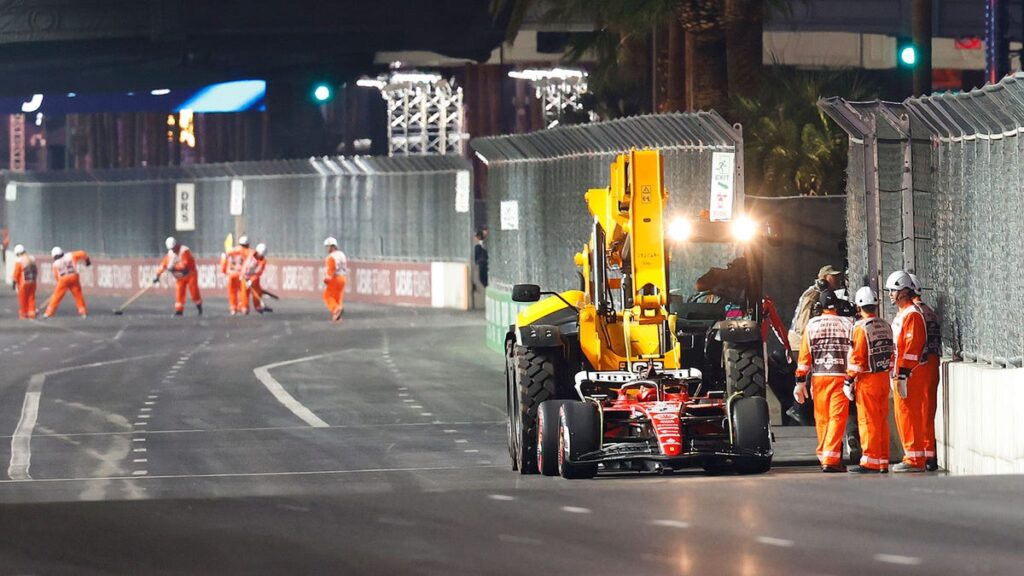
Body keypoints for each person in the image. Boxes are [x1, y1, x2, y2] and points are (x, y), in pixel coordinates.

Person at [794, 290, 854, 472]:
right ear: (836, 305)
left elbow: (804, 357)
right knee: (837, 417)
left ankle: (825, 456)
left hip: (819, 378)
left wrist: (800, 382)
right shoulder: (848, 324)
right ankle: (830, 458)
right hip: (840, 377)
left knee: (822, 418)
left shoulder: (811, 325)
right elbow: (854, 353)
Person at [844, 287, 894, 474]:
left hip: (867, 381)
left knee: (867, 420)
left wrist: (849, 379)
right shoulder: (885, 325)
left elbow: (857, 358)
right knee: (881, 420)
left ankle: (871, 461)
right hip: (882, 379)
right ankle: (882, 460)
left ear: (858, 306)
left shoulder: (860, 328)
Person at [885, 270, 929, 473]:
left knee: (909, 415)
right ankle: (911, 455)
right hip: (901, 373)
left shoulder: (911, 315)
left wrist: (903, 373)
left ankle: (914, 458)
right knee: (903, 416)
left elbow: (912, 347)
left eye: (893, 291)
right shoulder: (904, 314)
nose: (890, 295)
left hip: (909, 374)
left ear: (903, 291)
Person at [909, 273, 942, 471]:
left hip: (919, 365)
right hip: (933, 362)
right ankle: (930, 454)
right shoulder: (929, 311)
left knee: (916, 411)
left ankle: (921, 453)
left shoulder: (914, 313)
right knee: (928, 411)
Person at [789, 264, 844, 350]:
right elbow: (803, 323)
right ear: (824, 279)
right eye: (833, 277)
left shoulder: (822, 294)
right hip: (799, 344)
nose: (837, 280)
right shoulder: (813, 294)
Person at [155, 236, 202, 316]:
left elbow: (185, 265)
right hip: (180, 277)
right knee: (179, 292)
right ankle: (179, 310)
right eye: (171, 249)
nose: (173, 250)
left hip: (191, 274)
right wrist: (157, 276)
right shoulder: (170, 254)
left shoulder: (184, 251)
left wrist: (174, 267)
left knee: (194, 291)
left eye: (174, 248)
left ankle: (199, 306)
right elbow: (163, 265)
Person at [44, 246, 91, 318]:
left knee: (57, 296)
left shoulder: (55, 264)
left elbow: (56, 276)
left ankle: (48, 312)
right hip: (74, 276)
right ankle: (83, 311)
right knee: (78, 295)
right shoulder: (70, 255)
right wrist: (87, 260)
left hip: (63, 279)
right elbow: (82, 253)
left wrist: (59, 285)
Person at [221, 235, 252, 315]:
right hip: (241, 274)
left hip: (231, 274)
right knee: (244, 292)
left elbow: (224, 261)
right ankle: (244, 307)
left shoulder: (230, 251)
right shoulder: (247, 252)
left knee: (232, 292)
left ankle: (233, 308)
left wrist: (224, 271)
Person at [323, 236, 347, 322]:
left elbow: (331, 269)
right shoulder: (342, 254)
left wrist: (327, 279)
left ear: (332, 246)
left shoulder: (331, 257)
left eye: (328, 246)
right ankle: (337, 316)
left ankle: (336, 309)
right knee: (338, 297)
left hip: (335, 278)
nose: (327, 249)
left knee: (327, 296)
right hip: (343, 278)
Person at [242, 243, 272, 314]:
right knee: (244, 293)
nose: (260, 256)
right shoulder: (250, 253)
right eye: (259, 254)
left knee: (257, 293)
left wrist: (251, 280)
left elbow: (258, 273)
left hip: (254, 278)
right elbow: (244, 263)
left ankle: (258, 306)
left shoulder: (263, 262)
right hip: (244, 277)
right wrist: (242, 275)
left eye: (262, 255)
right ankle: (245, 307)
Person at [10, 244, 38, 320]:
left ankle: (23, 314)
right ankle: (32, 313)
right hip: (33, 281)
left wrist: (14, 282)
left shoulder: (19, 261)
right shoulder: (31, 259)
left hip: (24, 283)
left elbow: (17, 272)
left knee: (22, 299)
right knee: (31, 297)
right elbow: (36, 270)